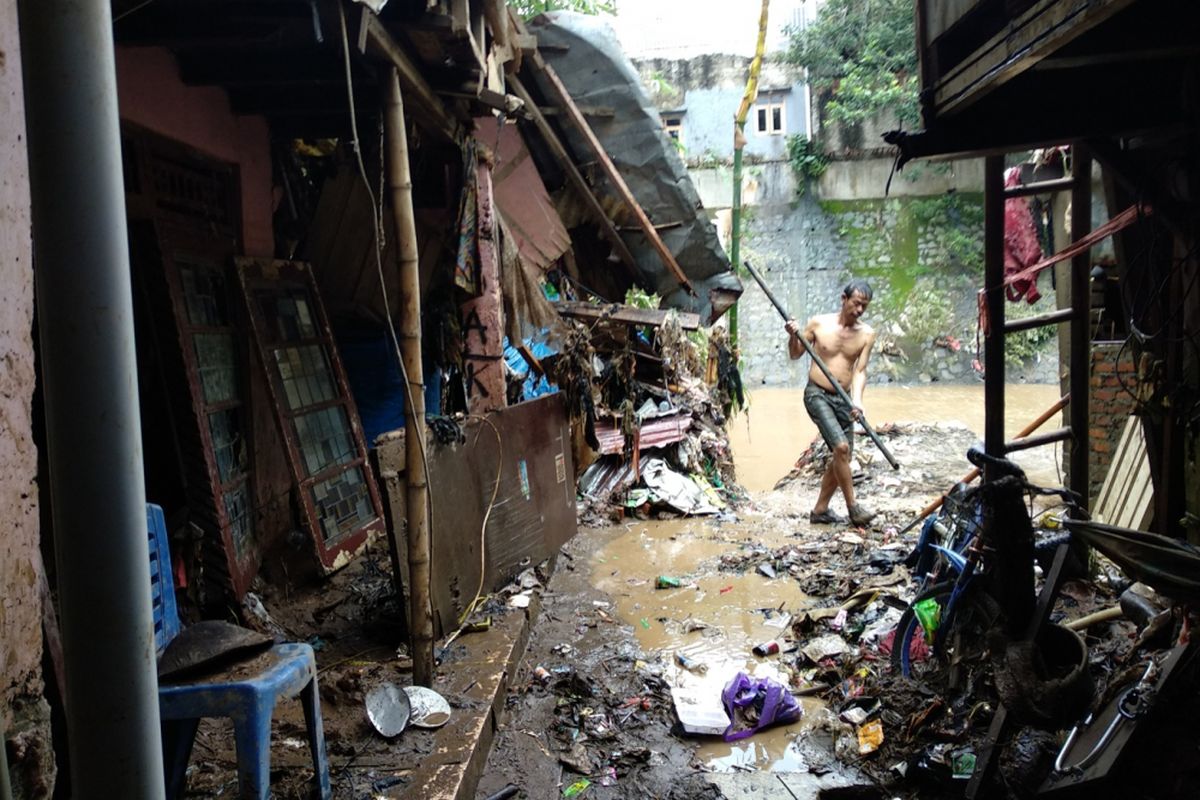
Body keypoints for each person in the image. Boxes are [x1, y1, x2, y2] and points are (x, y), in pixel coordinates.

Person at [785, 279, 877, 527]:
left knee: (841, 456)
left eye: (864, 307)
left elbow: (860, 371)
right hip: (817, 394)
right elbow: (795, 354)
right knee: (842, 448)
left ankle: (820, 510)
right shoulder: (819, 323)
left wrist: (858, 401)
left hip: (844, 399)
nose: (859, 310)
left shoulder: (867, 334)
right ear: (843, 299)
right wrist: (793, 336)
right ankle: (853, 508)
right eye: (856, 304)